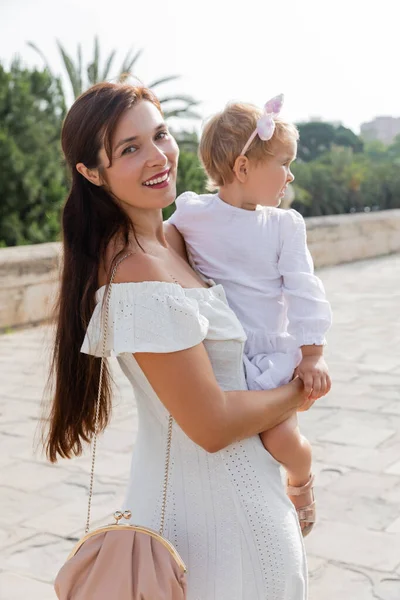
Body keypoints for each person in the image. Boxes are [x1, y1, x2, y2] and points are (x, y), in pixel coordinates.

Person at [46, 82, 321, 599]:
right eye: (130, 149)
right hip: (213, 535)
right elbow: (211, 424)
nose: (157, 157)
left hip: (233, 511)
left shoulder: (174, 238)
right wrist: (299, 391)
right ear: (90, 172)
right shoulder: (135, 271)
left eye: (161, 135)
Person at [168, 95, 332, 536]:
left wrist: (312, 353)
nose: (290, 175)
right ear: (243, 169)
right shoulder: (193, 215)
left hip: (269, 355)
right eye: (283, 163)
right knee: (225, 446)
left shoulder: (283, 226)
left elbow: (303, 288)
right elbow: (156, 242)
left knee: (281, 442)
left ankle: (302, 478)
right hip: (222, 357)